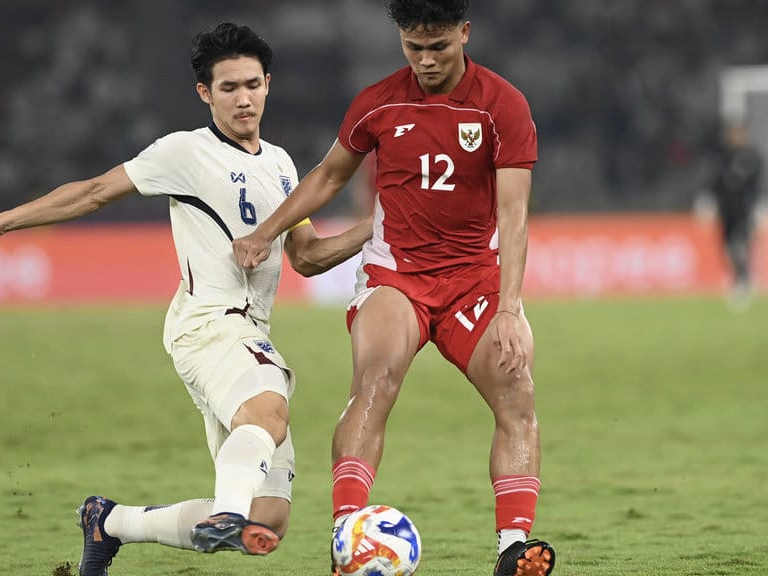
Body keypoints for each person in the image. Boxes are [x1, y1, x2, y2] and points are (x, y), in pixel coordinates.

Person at [0, 22, 372, 576]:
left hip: (249, 333)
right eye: (228, 88)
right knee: (269, 411)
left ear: (268, 83)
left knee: (266, 521)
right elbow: (94, 191)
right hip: (209, 324)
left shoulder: (283, 166)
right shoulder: (185, 152)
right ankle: (226, 512)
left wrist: (377, 226)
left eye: (252, 84)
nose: (243, 98)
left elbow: (308, 257)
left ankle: (110, 521)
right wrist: (1, 222)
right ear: (204, 93)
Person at [232, 2, 555, 575]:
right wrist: (267, 232)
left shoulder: (503, 104)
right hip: (395, 273)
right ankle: (346, 536)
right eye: (413, 47)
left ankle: (512, 546)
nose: (426, 61)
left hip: (474, 278)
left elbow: (514, 210)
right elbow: (330, 175)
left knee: (517, 390)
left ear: (464, 33)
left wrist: (510, 308)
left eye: (439, 47)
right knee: (375, 380)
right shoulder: (379, 102)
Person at [700, 121, 763, 310]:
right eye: (732, 134)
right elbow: (713, 182)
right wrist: (707, 200)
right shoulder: (721, 157)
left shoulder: (752, 157)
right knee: (727, 251)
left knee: (740, 245)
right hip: (726, 211)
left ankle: (743, 282)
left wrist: (763, 203)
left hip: (745, 209)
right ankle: (740, 278)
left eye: (739, 133)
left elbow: (758, 184)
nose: (735, 137)